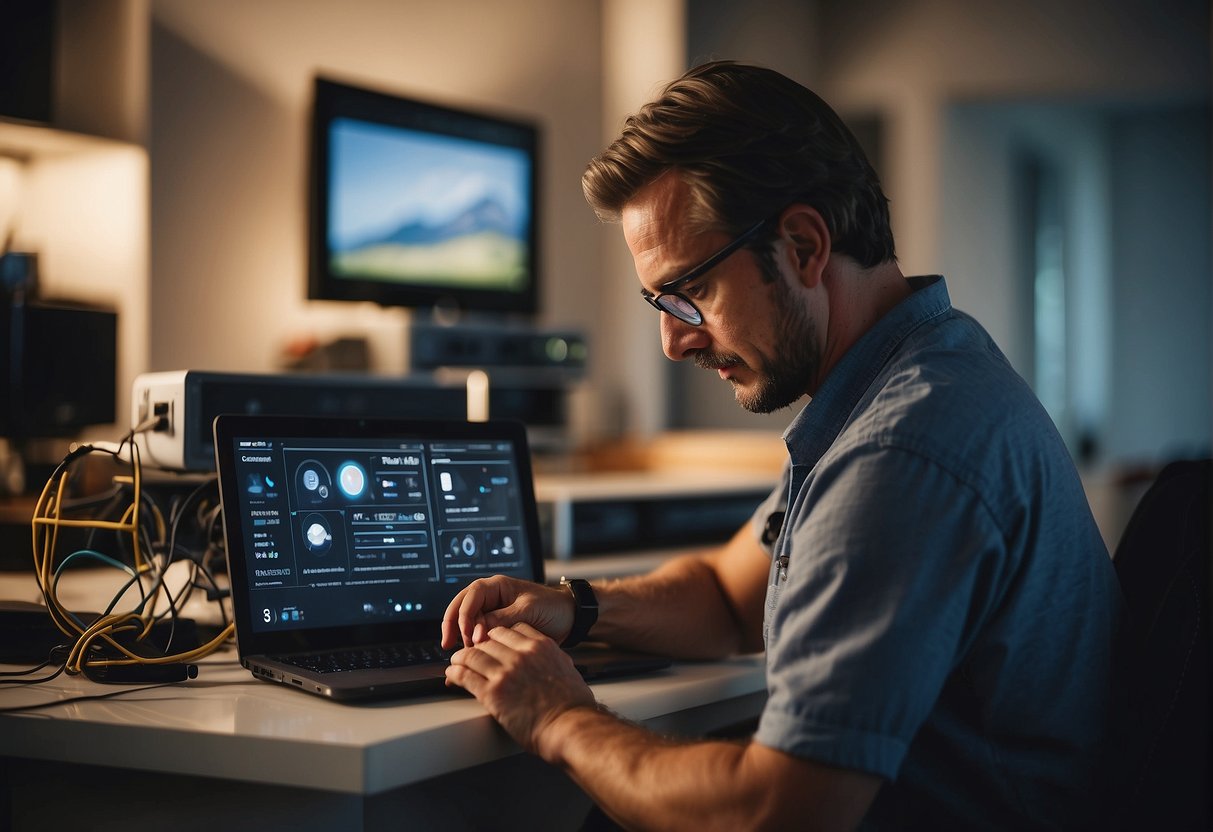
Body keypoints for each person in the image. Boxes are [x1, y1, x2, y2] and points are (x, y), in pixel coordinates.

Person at [441, 61, 1122, 830]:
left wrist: (559, 717)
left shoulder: (900, 453)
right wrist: (575, 606)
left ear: (801, 247)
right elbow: (728, 598)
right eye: (658, 301)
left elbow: (776, 814)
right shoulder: (908, 377)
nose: (671, 340)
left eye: (690, 292)